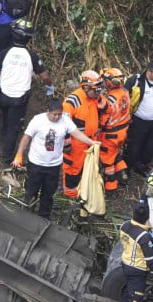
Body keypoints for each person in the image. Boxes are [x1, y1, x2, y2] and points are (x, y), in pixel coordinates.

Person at [11, 100, 97, 219]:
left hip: (53, 165)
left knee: (48, 193)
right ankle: (27, 213)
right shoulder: (38, 120)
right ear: (48, 111)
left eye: (59, 114)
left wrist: (91, 142)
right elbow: (26, 137)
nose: (57, 117)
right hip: (36, 163)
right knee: (31, 190)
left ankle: (44, 216)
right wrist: (19, 155)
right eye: (54, 114)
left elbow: (77, 133)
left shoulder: (65, 121)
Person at [0, 19, 53, 166]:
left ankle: (4, 138)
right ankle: (6, 158)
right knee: (14, 127)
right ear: (28, 38)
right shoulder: (32, 57)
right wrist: (50, 87)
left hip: (2, 96)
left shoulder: (4, 53)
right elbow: (45, 77)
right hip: (19, 100)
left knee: (6, 117)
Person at [111, 200, 153, 302]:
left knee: (130, 293)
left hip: (125, 263)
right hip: (137, 270)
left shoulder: (125, 225)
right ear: (147, 218)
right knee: (135, 299)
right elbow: (150, 259)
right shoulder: (144, 237)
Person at [61, 71, 106, 200]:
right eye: (96, 90)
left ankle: (83, 190)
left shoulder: (93, 98)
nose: (98, 93)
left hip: (90, 141)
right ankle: (70, 195)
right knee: (73, 170)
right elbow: (63, 123)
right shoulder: (72, 101)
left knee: (86, 169)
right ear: (86, 87)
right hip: (75, 145)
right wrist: (67, 144)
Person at [123, 60, 153, 174]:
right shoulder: (136, 81)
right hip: (139, 120)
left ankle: (142, 165)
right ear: (149, 71)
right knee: (134, 145)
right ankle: (127, 167)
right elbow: (123, 97)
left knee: (150, 145)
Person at [97, 68, 131, 191]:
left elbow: (102, 116)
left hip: (110, 134)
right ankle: (123, 174)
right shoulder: (125, 92)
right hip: (123, 130)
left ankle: (111, 186)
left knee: (107, 161)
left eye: (105, 80)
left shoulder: (108, 100)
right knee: (116, 153)